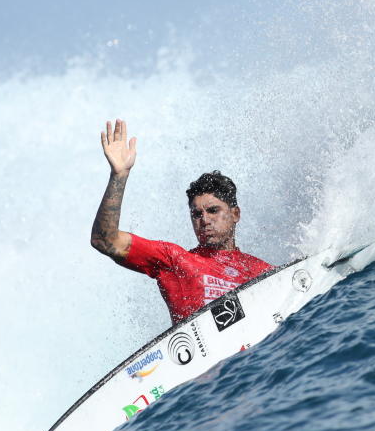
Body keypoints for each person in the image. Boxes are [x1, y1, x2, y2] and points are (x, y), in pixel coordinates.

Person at [90, 119, 273, 324]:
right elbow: (104, 240)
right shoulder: (174, 260)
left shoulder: (262, 270)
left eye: (213, 210)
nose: (204, 220)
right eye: (196, 214)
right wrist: (119, 175)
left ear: (235, 214)